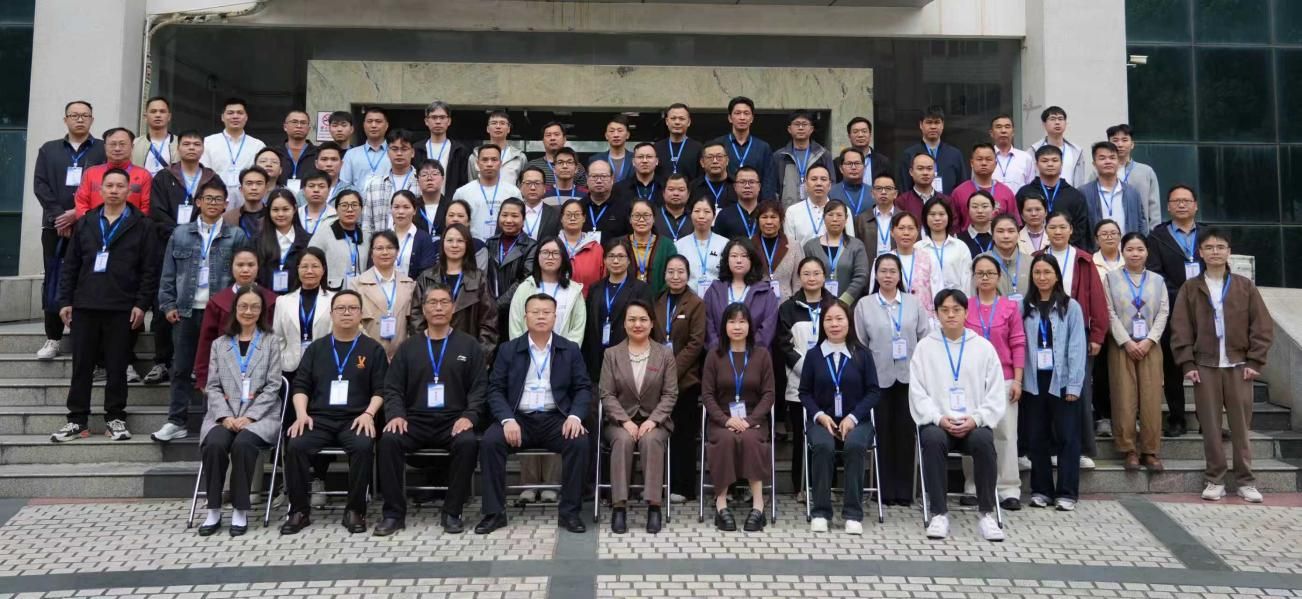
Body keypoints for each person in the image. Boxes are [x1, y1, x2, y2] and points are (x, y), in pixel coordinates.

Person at [49, 168, 158, 444]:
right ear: (100, 189)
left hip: (122, 306)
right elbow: (71, 265)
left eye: (120, 186)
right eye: (109, 185)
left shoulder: (142, 225)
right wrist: (65, 301)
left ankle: (115, 417)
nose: (114, 190)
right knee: (82, 365)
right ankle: (77, 420)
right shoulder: (86, 222)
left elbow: (149, 270)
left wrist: (141, 304)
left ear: (129, 190)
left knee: (117, 365)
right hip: (85, 304)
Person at [1171, 228, 1274, 503]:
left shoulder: (1244, 286)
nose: (1214, 251)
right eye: (1209, 247)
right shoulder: (1190, 288)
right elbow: (1180, 328)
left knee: (1241, 427)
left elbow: (1261, 326)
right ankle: (1214, 479)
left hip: (1239, 365)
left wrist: (1255, 360)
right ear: (1200, 253)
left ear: (1229, 252)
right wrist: (1187, 363)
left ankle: (1245, 481)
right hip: (1205, 365)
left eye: (1220, 247)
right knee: (1211, 426)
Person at [477, 293, 593, 535]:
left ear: (555, 317)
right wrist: (507, 419)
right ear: (525, 317)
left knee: (580, 442)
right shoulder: (508, 349)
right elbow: (495, 389)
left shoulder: (569, 349)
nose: (541, 316)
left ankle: (570, 513)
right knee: (490, 441)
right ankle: (494, 513)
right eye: (535, 312)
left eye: (546, 312)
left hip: (556, 418)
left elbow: (583, 388)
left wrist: (574, 417)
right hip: (518, 418)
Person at [375, 284, 485, 536]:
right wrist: (396, 415)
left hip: (453, 420)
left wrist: (469, 416)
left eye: (444, 302)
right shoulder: (408, 347)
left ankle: (452, 512)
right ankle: (393, 514)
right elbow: (392, 387)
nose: (438, 308)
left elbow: (479, 388)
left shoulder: (468, 345)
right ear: (423, 310)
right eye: (432, 303)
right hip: (414, 420)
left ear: (453, 308)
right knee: (389, 440)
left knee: (467, 442)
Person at [280, 290, 389, 535]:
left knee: (363, 445)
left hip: (356, 419)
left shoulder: (373, 349)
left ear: (361, 314)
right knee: (296, 444)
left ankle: (355, 510)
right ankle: (298, 511)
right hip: (319, 418)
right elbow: (301, 386)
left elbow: (381, 389)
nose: (346, 313)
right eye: (341, 308)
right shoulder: (316, 349)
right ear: (331, 314)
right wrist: (301, 414)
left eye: (352, 308)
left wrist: (369, 414)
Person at [150, 181, 250, 443]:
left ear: (226, 204)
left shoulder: (236, 235)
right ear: (198, 202)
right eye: (208, 198)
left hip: (222, 312)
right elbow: (168, 273)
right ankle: (176, 421)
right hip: (185, 310)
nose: (213, 203)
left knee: (222, 369)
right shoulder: (181, 233)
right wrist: (168, 304)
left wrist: (239, 308)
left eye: (219, 200)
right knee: (181, 367)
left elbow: (244, 273)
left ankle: (217, 419)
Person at [909, 290, 1006, 541]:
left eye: (956, 310)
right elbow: (917, 392)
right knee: (931, 440)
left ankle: (986, 514)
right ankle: (939, 513)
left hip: (973, 422)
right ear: (937, 314)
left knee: (984, 441)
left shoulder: (983, 347)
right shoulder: (925, 347)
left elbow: (996, 392)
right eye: (944, 310)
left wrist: (976, 419)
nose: (950, 315)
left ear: (966, 312)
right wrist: (938, 418)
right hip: (938, 422)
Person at [196, 287, 283, 537]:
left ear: (262, 311)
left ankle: (240, 509)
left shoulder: (270, 342)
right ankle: (213, 509)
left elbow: (273, 385)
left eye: (255, 307)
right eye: (243, 306)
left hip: (259, 417)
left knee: (243, 445)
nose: (248, 311)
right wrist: (225, 417)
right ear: (235, 309)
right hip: (223, 416)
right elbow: (212, 386)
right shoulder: (220, 344)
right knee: (214, 444)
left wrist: (250, 417)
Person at [35, 101, 108, 360]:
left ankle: (86, 337)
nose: (79, 119)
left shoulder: (102, 149)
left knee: (89, 277)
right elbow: (40, 185)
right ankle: (53, 337)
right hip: (55, 227)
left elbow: (109, 186)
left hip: (92, 226)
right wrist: (60, 217)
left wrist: (78, 214)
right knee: (54, 278)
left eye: (85, 115)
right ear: (65, 119)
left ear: (92, 119)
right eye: (74, 115)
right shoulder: (49, 149)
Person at [854, 254, 929, 506]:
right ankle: (884, 491)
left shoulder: (913, 303)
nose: (888, 276)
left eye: (892, 271)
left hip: (909, 378)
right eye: (883, 271)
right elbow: (860, 343)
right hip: (878, 378)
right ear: (876, 275)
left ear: (900, 275)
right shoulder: (864, 305)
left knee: (905, 434)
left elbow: (924, 338)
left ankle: (905, 492)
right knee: (883, 434)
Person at [800, 300, 880, 534]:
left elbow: (873, 391)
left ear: (849, 322)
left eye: (839, 319)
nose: (834, 324)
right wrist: (820, 416)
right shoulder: (814, 355)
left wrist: (853, 417)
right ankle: (821, 512)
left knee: (854, 446)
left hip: (857, 421)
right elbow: (804, 392)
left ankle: (853, 513)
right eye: (829, 319)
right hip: (822, 421)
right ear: (822, 324)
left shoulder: (862, 354)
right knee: (823, 446)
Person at [599, 299, 678, 534]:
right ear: (624, 324)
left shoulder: (665, 355)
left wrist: (653, 420)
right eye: (632, 319)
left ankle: (654, 506)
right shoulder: (611, 354)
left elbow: (670, 394)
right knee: (623, 441)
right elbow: (606, 393)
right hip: (619, 421)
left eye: (643, 319)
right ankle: (619, 507)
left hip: (655, 421)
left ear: (652, 323)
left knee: (651, 440)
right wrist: (625, 421)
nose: (637, 324)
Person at [145, 130, 216, 382]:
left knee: (197, 307)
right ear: (178, 148)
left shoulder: (211, 178)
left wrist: (195, 233)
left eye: (197, 144)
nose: (192, 148)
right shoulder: (164, 177)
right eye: (187, 143)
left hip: (202, 246)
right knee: (165, 304)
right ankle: (161, 361)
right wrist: (180, 233)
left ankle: (198, 363)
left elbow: (214, 208)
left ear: (203, 149)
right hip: (169, 245)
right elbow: (156, 211)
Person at [1038, 212, 1107, 470]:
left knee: (1078, 390)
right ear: (1046, 230)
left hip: (1077, 331)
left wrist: (1097, 335)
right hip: (1044, 330)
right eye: (1052, 227)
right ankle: (1052, 448)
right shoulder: (1038, 258)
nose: (1057, 232)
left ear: (1071, 230)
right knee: (1048, 391)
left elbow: (1097, 298)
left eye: (1062, 227)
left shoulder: (1083, 259)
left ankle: (1080, 449)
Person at [1021, 255, 1088, 511]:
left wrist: (1074, 385)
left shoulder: (1071, 307)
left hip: (1062, 379)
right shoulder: (1025, 307)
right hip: (1033, 380)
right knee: (1036, 437)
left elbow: (1077, 347)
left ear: (1057, 275)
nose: (1042, 277)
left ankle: (1067, 493)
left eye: (1047, 272)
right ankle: (1041, 490)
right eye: (1037, 272)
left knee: (1067, 437)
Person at [701, 303, 775, 532]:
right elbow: (707, 395)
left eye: (742, 321)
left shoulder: (761, 355)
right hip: (721, 419)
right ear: (724, 326)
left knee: (751, 440)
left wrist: (749, 421)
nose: (737, 326)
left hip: (754, 419)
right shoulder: (714, 355)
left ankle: (758, 506)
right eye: (732, 321)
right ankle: (721, 503)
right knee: (725, 440)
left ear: (750, 326)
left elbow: (769, 394)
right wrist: (726, 420)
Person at [962, 256, 1027, 510]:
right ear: (974, 277)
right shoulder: (965, 306)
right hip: (972, 380)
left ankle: (1008, 488)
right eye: (980, 273)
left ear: (999, 276)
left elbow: (1018, 343)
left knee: (1005, 433)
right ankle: (973, 485)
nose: (985, 277)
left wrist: (1018, 380)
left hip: (1005, 377)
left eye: (990, 273)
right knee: (972, 431)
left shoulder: (1009, 307)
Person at [1103, 232, 1168, 472]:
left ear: (1147, 252)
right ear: (1122, 251)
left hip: (1150, 346)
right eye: (1130, 249)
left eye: (1140, 249)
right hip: (1122, 345)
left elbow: (1163, 312)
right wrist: (1126, 341)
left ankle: (1150, 451)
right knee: (1124, 397)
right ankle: (1128, 449)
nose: (1135, 254)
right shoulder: (1111, 279)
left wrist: (1150, 340)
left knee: (1151, 398)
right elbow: (1109, 312)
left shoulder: (1157, 280)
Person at [774, 257, 836, 501]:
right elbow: (784, 345)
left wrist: (823, 371)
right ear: (799, 277)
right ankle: (800, 486)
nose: (812, 278)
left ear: (824, 276)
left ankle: (827, 486)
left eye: (816, 273)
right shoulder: (788, 308)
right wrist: (808, 370)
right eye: (806, 273)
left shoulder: (834, 305)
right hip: (798, 382)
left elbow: (840, 337)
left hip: (830, 381)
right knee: (801, 436)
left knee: (828, 434)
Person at [1146, 185, 1204, 436]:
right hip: (1171, 309)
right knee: (1172, 366)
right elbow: (1154, 272)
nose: (1181, 205)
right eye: (1176, 201)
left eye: (1186, 200)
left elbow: (1219, 268)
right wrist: (1181, 296)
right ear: (1168, 207)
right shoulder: (1157, 237)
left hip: (1205, 310)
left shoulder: (1208, 234)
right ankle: (1177, 418)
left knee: (1206, 366)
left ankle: (1208, 419)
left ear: (1195, 205)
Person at [653, 256, 708, 503]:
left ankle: (684, 487)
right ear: (664, 274)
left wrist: (672, 371)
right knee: (660, 432)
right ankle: (660, 483)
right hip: (657, 377)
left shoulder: (696, 303)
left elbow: (696, 343)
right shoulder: (658, 301)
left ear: (688, 274)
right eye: (671, 271)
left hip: (686, 380)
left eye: (680, 272)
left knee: (684, 435)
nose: (675, 277)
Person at [192, 249, 279, 392]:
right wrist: (203, 377)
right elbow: (206, 341)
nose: (245, 269)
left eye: (251, 265)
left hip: (262, 373)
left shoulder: (272, 301)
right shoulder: (218, 302)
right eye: (240, 265)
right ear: (231, 267)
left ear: (258, 267)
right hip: (224, 372)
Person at [413, 223, 498, 361]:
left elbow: (489, 322)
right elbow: (416, 319)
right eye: (450, 240)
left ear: (467, 245)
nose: (454, 245)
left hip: (467, 354)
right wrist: (423, 352)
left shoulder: (479, 278)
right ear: (442, 243)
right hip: (431, 353)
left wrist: (480, 357)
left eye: (460, 241)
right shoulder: (426, 277)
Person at [584, 238, 654, 382]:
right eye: (611, 256)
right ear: (604, 260)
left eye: (621, 256)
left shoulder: (641, 289)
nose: (616, 261)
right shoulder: (595, 288)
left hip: (629, 356)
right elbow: (589, 323)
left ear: (629, 261)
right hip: (597, 356)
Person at [351, 231, 419, 359]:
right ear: (371, 253)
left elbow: (413, 323)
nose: (385, 252)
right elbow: (354, 323)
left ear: (397, 252)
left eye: (390, 247)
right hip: (367, 354)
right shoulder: (357, 284)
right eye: (379, 248)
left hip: (400, 356)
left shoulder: (409, 284)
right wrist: (372, 349)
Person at [508, 236, 586, 345]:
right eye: (545, 252)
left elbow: (577, 330)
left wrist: (567, 353)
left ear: (563, 257)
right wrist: (522, 352)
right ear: (537, 256)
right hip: (527, 352)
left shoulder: (574, 291)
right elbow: (515, 326)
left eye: (555, 253)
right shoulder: (525, 288)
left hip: (564, 353)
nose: (550, 257)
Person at [704, 239, 780, 349]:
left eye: (744, 256)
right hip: (720, 355)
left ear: (752, 260)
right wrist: (720, 350)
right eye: (734, 256)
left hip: (755, 355)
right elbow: (708, 326)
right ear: (727, 260)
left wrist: (747, 351)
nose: (739, 260)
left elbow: (768, 329)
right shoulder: (714, 291)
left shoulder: (766, 292)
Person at [271, 247, 333, 382]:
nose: (309, 271)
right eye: (304, 266)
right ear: (297, 269)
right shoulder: (283, 301)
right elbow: (277, 338)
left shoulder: (334, 299)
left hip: (325, 366)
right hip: (290, 367)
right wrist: (282, 360)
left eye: (315, 266)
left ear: (323, 269)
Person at [1090, 220, 1125, 436]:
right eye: (1104, 234)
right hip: (1101, 324)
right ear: (1096, 239)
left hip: (1128, 325)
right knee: (1101, 373)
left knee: (1124, 374)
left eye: (1114, 233)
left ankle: (1127, 417)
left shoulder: (1130, 259)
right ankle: (1103, 417)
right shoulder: (1090, 262)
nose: (1109, 237)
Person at [1017, 145, 1090, 248]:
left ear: (1062, 164)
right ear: (1036, 165)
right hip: (1029, 249)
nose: (1050, 164)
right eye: (1045, 161)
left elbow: (1080, 227)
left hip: (1065, 249)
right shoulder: (1025, 192)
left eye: (1055, 160)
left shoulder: (1075, 195)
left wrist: (1061, 245)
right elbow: (1018, 222)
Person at [487, 198, 540, 338]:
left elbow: (525, 280)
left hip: (515, 311)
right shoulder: (490, 243)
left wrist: (497, 305)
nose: (508, 220)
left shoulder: (532, 246)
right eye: (504, 215)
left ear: (523, 219)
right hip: (488, 311)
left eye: (515, 216)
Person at [1080, 142, 1146, 249]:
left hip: (1127, 253)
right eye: (1102, 158)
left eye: (1112, 157)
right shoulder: (1084, 193)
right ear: (1094, 163)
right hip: (1095, 254)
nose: (1108, 161)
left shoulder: (1132, 192)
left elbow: (1141, 224)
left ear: (1119, 162)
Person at [801, 200, 868, 305]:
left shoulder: (856, 246)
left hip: (848, 306)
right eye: (830, 215)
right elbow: (804, 276)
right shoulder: (811, 246)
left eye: (839, 215)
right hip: (817, 305)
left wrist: (844, 301)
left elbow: (861, 276)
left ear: (846, 219)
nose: (835, 219)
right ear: (823, 218)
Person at [73, 127, 153, 217]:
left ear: (132, 147)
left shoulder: (144, 175)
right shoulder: (90, 173)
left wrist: (134, 224)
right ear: (105, 147)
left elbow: (147, 206)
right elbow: (81, 203)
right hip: (93, 224)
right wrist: (91, 222)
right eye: (113, 144)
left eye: (122, 144)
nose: (117, 148)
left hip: (133, 225)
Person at [201, 98, 265, 206]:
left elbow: (261, 176)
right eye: (230, 113)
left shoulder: (258, 145)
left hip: (249, 203)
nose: (235, 116)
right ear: (222, 117)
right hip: (216, 202)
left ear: (246, 117)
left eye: (240, 113)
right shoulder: (208, 142)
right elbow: (204, 174)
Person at [453, 144, 522, 241]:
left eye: (494, 160)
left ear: (500, 163)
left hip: (504, 245)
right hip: (472, 245)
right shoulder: (462, 193)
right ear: (477, 163)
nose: (489, 164)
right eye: (485, 160)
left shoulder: (513, 192)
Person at [360, 129, 420, 237]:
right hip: (382, 245)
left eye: (404, 149)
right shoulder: (374, 185)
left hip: (413, 243)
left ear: (412, 152)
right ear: (387, 152)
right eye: (394, 149)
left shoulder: (421, 183)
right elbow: (366, 225)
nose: (399, 153)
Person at [897, 106, 968, 196]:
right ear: (921, 125)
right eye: (929, 122)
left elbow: (962, 188)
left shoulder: (955, 154)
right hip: (918, 204)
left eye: (937, 122)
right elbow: (904, 189)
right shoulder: (909, 154)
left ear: (942, 125)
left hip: (948, 204)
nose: (933, 127)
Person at [771, 111, 835, 207]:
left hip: (818, 209)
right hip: (787, 209)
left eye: (804, 124)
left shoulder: (823, 154)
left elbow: (831, 184)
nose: (800, 128)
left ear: (811, 129)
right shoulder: (779, 156)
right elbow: (774, 187)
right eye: (797, 124)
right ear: (789, 129)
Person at [308, 190, 369, 290]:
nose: (350, 210)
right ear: (336, 209)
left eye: (354, 205)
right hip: (332, 292)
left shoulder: (366, 237)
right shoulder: (323, 234)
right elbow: (310, 263)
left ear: (361, 208)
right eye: (344, 205)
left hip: (361, 292)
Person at [712, 96, 774, 194]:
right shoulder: (718, 145)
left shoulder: (763, 147)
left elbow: (768, 181)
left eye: (746, 113)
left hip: (755, 201)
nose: (742, 117)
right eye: (737, 113)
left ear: (752, 118)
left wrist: (766, 202)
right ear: (730, 118)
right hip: (724, 198)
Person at [951, 143, 1018, 231]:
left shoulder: (1006, 192)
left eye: (988, 159)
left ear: (995, 164)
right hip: (967, 239)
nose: (984, 163)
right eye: (979, 159)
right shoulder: (959, 192)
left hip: (998, 239)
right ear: (971, 163)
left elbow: (1014, 224)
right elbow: (954, 226)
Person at [1105, 124, 1160, 231]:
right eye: (1115, 140)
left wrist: (1154, 233)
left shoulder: (1146, 171)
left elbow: (1154, 207)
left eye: (1124, 140)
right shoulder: (1099, 172)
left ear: (1132, 144)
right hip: (1108, 232)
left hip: (1138, 231)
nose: (1120, 144)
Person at [884, 212, 939, 320]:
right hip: (891, 318)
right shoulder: (883, 260)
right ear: (892, 232)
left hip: (924, 319)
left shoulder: (929, 258)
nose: (906, 233)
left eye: (911, 228)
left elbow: (937, 290)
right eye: (901, 228)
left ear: (917, 232)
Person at [784, 164, 855, 246]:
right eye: (814, 179)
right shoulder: (792, 212)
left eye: (823, 179)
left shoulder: (843, 210)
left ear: (829, 185)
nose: (819, 183)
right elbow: (790, 247)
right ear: (806, 185)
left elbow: (851, 245)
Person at [255, 191, 309, 294]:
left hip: (297, 297)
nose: (280, 214)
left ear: (294, 209)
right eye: (275, 210)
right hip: (265, 298)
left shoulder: (306, 240)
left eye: (285, 209)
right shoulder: (257, 240)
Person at [916, 198, 972, 293]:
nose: (937, 218)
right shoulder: (918, 248)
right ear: (925, 218)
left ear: (949, 217)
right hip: (927, 300)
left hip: (956, 299)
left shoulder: (960, 247)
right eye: (932, 214)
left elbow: (967, 280)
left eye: (941, 214)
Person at [753, 200, 804, 303]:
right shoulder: (749, 245)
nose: (769, 222)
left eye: (773, 217)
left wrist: (796, 305)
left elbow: (798, 281)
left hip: (786, 304)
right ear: (758, 220)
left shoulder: (793, 245)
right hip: (756, 304)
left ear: (781, 220)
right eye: (764, 217)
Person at [677, 196, 729, 297]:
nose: (701, 216)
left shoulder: (725, 244)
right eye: (697, 211)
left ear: (714, 216)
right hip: (687, 299)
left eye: (707, 211)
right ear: (690, 215)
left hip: (718, 298)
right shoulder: (680, 245)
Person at [415, 100, 471, 194]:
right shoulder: (416, 149)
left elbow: (464, 182)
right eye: (434, 117)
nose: (438, 121)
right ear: (426, 121)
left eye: (442, 117)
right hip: (422, 200)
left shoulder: (460, 150)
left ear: (449, 121)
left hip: (451, 201)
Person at [624, 199, 677, 295]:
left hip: (659, 300)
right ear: (630, 219)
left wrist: (660, 299)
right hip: (625, 299)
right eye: (636, 216)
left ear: (654, 219)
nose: (641, 220)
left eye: (646, 215)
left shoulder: (667, 245)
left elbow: (673, 275)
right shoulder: (621, 244)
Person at [1028, 106, 1087, 187]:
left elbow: (1080, 181)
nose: (1057, 122)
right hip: (1041, 194)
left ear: (1065, 123)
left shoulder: (1076, 151)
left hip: (1069, 193)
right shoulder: (1034, 150)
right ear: (1044, 124)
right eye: (1052, 119)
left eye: (1060, 119)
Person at [468, 110, 525, 188]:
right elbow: (471, 184)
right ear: (488, 129)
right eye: (494, 123)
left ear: (508, 129)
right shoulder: (475, 157)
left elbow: (522, 186)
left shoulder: (519, 157)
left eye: (502, 123)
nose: (498, 126)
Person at [557, 199, 604, 293]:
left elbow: (603, 279)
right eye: (568, 215)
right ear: (561, 218)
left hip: (588, 299)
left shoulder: (596, 248)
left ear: (584, 218)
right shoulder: (552, 246)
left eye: (577, 215)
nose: (572, 218)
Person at [338, 107, 390, 190]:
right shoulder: (351, 154)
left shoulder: (395, 154)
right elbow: (344, 185)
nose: (373, 125)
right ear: (364, 125)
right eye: (369, 121)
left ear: (386, 125)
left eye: (378, 121)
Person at [389, 190, 438, 278]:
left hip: (413, 286)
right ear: (391, 209)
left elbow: (427, 273)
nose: (401, 211)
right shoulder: (382, 237)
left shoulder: (424, 239)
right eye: (396, 207)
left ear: (414, 210)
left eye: (406, 207)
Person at [525, 121, 588, 187]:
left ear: (564, 139)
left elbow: (583, 191)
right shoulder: (532, 165)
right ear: (543, 140)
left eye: (556, 134)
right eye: (548, 135)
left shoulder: (577, 167)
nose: (552, 138)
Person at [853, 173, 899, 263]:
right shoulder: (861, 219)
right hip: (869, 268)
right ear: (872, 193)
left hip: (897, 268)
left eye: (888, 188)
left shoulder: (903, 218)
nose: (883, 192)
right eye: (878, 188)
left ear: (895, 194)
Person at [581, 160, 631, 241]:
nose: (599, 181)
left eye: (604, 176)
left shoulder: (625, 208)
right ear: (587, 178)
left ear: (612, 179)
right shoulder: (579, 207)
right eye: (594, 176)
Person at [986, 214, 1032, 300]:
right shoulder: (981, 262)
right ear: (992, 235)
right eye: (1000, 231)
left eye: (1011, 231)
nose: (1006, 236)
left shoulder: (1031, 262)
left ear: (1018, 235)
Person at [711, 167, 762, 241]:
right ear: (735, 186)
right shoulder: (724, 215)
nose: (747, 186)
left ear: (759, 186)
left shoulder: (766, 213)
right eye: (742, 182)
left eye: (751, 182)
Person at [655, 103, 703, 181]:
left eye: (681, 119)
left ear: (689, 122)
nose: (677, 122)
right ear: (667, 121)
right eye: (673, 118)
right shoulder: (656, 148)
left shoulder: (698, 148)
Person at [273, 110, 318, 192]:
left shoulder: (318, 153)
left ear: (308, 129)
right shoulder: (274, 152)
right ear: (285, 127)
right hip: (279, 197)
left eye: (303, 123)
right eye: (294, 122)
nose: (299, 126)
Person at [988, 114, 1035, 191]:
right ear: (991, 133)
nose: (1003, 131)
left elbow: (1031, 188)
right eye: (999, 127)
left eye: (1007, 127)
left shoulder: (1025, 158)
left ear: (1013, 132)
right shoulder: (984, 158)